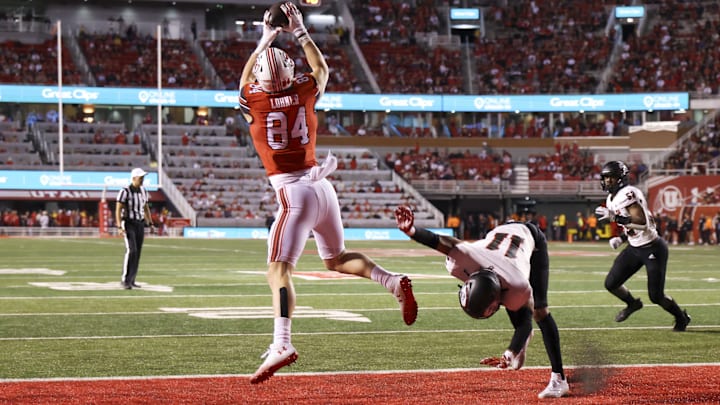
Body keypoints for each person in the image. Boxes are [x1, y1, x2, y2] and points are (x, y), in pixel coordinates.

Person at [238, 2, 417, 385]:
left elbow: (243, 81)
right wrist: (299, 31)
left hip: (293, 194)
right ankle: (391, 280)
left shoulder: (255, 98)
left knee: (278, 271)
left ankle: (282, 342)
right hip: (322, 186)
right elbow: (321, 69)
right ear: (288, 73)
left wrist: (264, 40)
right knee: (335, 259)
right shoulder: (303, 89)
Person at [394, 205, 569, 399]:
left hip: (531, 240)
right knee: (512, 301)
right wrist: (411, 231)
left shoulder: (516, 283)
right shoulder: (462, 259)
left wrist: (510, 353)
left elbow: (525, 324)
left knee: (540, 311)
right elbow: (439, 241)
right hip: (498, 238)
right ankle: (521, 346)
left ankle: (559, 379)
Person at [594, 161, 690, 331]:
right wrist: (622, 238)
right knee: (611, 283)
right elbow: (631, 225)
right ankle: (633, 303)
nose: (607, 181)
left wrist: (615, 218)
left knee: (656, 296)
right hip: (634, 247)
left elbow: (642, 223)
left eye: (611, 177)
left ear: (621, 178)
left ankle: (681, 317)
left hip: (652, 247)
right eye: (605, 177)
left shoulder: (628, 193)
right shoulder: (611, 198)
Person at [115, 167, 154, 290]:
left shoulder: (143, 191)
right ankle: (125, 279)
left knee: (138, 252)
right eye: (140, 178)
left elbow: (146, 207)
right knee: (132, 250)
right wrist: (119, 225)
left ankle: (132, 279)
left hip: (140, 223)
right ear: (133, 178)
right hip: (129, 223)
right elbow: (118, 209)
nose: (142, 180)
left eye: (143, 178)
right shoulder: (125, 191)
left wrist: (150, 222)